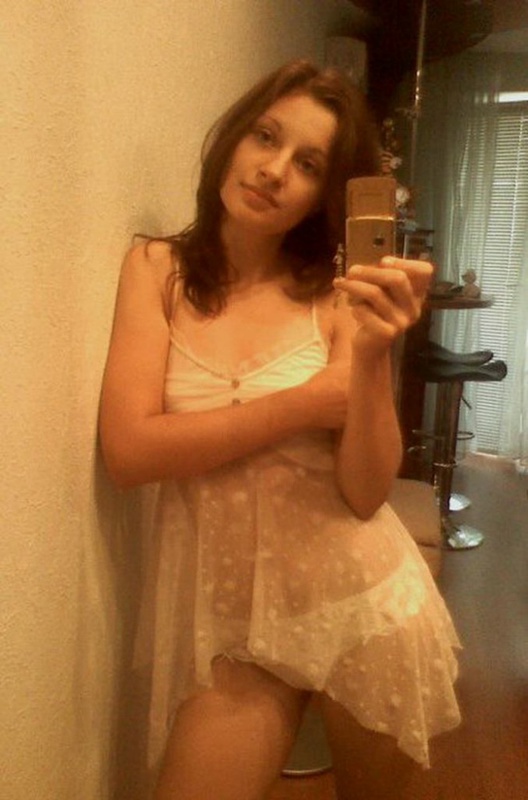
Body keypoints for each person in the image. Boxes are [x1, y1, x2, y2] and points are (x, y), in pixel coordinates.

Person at [99, 59, 461, 800]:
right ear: (233, 138)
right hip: (232, 627)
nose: (273, 170)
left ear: (325, 196)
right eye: (266, 137)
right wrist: (302, 405)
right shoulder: (156, 270)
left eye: (308, 164)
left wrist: (372, 357)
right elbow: (130, 453)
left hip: (362, 608)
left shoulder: (338, 300)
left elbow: (365, 493)